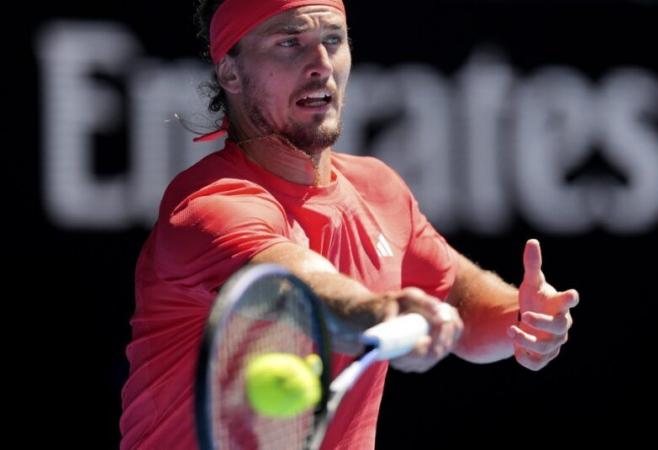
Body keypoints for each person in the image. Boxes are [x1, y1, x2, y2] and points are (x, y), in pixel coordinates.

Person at [119, 0, 580, 448]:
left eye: (333, 39)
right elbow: (297, 287)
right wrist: (382, 313)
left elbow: (460, 299)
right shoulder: (209, 204)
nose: (321, 63)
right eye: (289, 42)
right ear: (231, 72)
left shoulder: (378, 189)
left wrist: (521, 320)